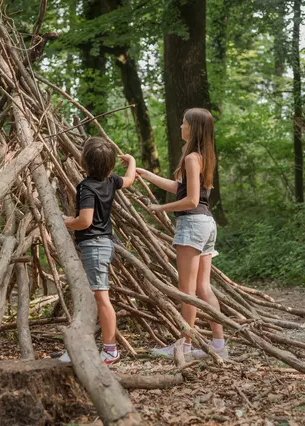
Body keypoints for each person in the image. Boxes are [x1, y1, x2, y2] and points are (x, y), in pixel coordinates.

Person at [136, 108, 227, 360]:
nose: (180, 127)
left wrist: (160, 208)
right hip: (207, 223)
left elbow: (191, 199)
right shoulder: (202, 156)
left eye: (183, 123)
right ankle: (218, 344)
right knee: (202, 287)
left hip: (192, 223)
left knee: (186, 289)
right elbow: (181, 187)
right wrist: (147, 174)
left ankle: (184, 345)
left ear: (193, 128)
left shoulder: (191, 159)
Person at [60, 136, 136, 365]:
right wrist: (131, 160)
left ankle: (110, 350)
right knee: (94, 297)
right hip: (104, 244)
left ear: (84, 162)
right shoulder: (111, 180)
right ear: (111, 165)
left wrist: (64, 221)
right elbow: (130, 179)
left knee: (101, 298)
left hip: (93, 246)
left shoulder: (86, 187)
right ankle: (85, 347)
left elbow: (84, 221)